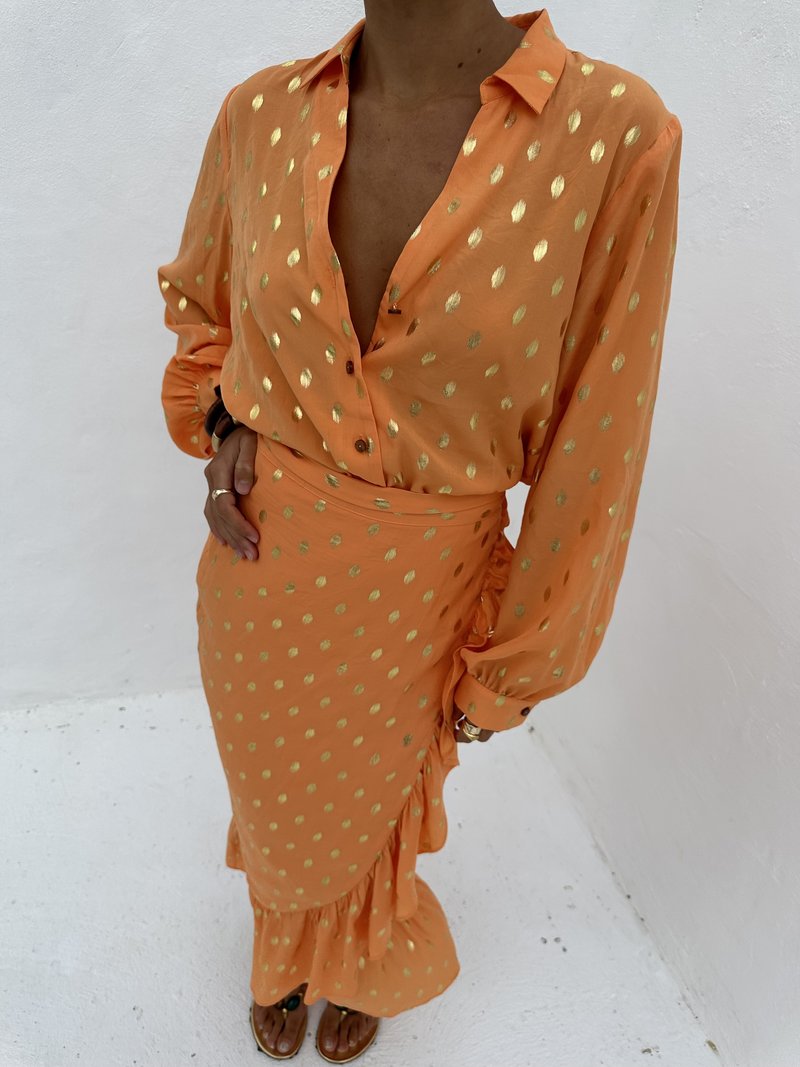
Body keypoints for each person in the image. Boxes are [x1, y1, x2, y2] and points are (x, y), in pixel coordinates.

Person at [156, 2, 682, 1061]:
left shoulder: (612, 133)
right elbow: (203, 308)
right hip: (261, 564)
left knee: (376, 805)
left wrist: (515, 663)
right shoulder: (260, 114)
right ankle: (284, 952)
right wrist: (223, 423)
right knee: (275, 798)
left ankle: (358, 954)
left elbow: (600, 436)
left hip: (422, 591)